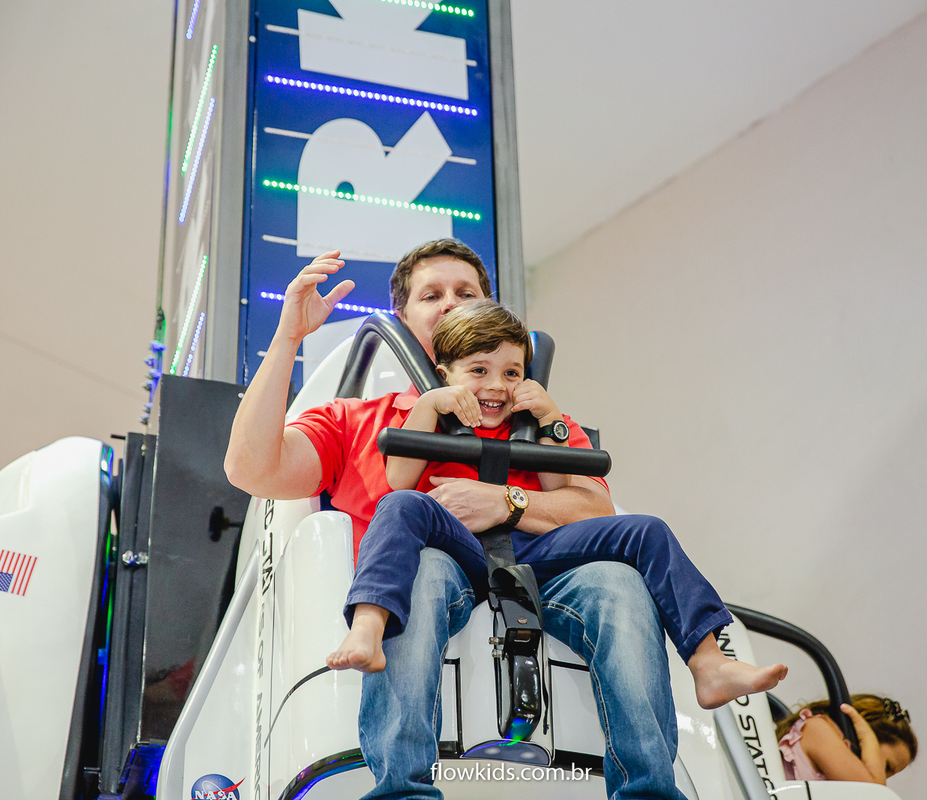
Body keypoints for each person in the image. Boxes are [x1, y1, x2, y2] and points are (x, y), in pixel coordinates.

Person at [224, 240, 696, 799]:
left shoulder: (538, 418)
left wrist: (507, 502)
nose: (450, 302)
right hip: (429, 585)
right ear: (404, 317)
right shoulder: (358, 420)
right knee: (422, 569)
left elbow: (596, 509)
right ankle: (403, 787)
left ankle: (649, 790)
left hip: (547, 581)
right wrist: (288, 337)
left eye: (465, 293)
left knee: (620, 582)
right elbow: (252, 469)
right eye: (432, 295)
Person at [328, 299, 788, 712]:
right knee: (401, 505)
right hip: (459, 548)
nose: (497, 386)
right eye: (479, 371)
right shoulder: (426, 411)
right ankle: (368, 624)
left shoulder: (537, 421)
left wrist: (548, 419)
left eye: (511, 373)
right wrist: (431, 403)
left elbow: (558, 485)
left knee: (647, 529)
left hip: (531, 548)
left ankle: (708, 661)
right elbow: (397, 478)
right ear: (445, 373)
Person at [776, 694, 918, 784]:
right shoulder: (817, 729)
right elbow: (873, 795)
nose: (882, 779)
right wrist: (868, 737)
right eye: (886, 767)